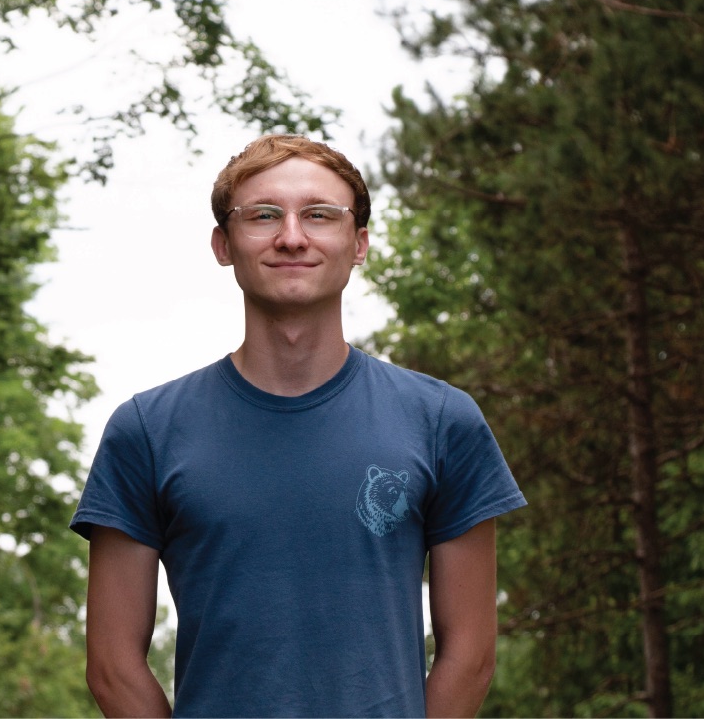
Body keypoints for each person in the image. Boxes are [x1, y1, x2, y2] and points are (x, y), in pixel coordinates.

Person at [70, 134, 526, 718]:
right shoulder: (147, 431)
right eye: (262, 216)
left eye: (319, 215)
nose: (291, 236)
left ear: (358, 243)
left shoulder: (442, 421)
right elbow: (112, 665)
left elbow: (471, 655)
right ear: (223, 244)